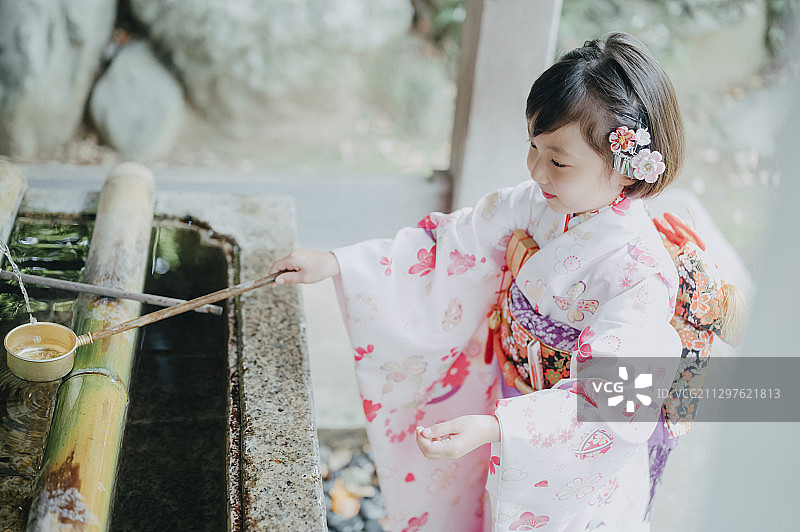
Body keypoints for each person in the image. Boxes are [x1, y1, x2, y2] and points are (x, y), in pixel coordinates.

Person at [270, 33, 685, 531]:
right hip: (511, 405)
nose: (537, 171)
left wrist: (500, 427)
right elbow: (453, 244)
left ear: (628, 170)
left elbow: (616, 403)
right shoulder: (538, 205)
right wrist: (340, 264)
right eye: (533, 147)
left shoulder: (641, 275)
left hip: (569, 464)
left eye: (558, 161)